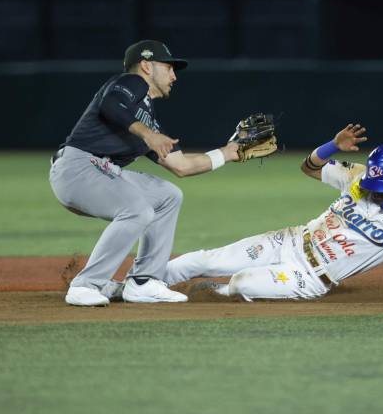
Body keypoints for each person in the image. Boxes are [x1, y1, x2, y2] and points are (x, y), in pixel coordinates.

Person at [164, 124, 383, 302]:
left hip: (309, 277)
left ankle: (214, 294)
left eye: (382, 188)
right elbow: (309, 167)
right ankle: (143, 281)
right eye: (372, 183)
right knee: (208, 260)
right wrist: (333, 145)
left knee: (241, 283)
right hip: (289, 240)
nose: (374, 191)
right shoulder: (359, 176)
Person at [50, 40, 242, 306]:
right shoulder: (131, 83)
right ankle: (86, 284)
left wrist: (228, 153)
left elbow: (181, 166)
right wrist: (147, 135)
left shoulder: (147, 120)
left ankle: (143, 281)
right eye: (169, 67)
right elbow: (110, 104)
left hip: (101, 171)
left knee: (167, 196)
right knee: (137, 210)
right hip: (77, 168)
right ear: (146, 66)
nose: (174, 76)